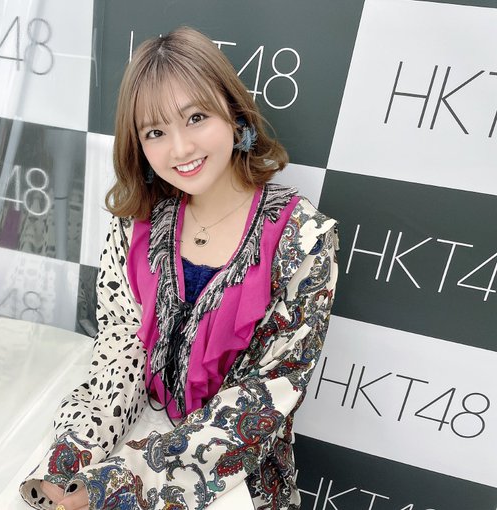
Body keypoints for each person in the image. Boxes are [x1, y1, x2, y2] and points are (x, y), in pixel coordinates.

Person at [20, 26, 338, 510]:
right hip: (132, 430)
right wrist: (75, 460)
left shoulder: (303, 240)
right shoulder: (137, 222)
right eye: (156, 132)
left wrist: (121, 483)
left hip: (234, 478)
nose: (181, 148)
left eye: (196, 118)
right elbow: (121, 350)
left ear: (233, 113)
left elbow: (263, 398)